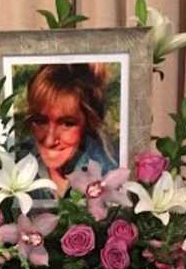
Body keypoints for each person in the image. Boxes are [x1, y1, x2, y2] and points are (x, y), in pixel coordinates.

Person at [18, 63, 119, 198]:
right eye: (40, 121)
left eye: (67, 124)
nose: (49, 140)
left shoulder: (110, 174)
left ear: (88, 124)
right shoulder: (17, 162)